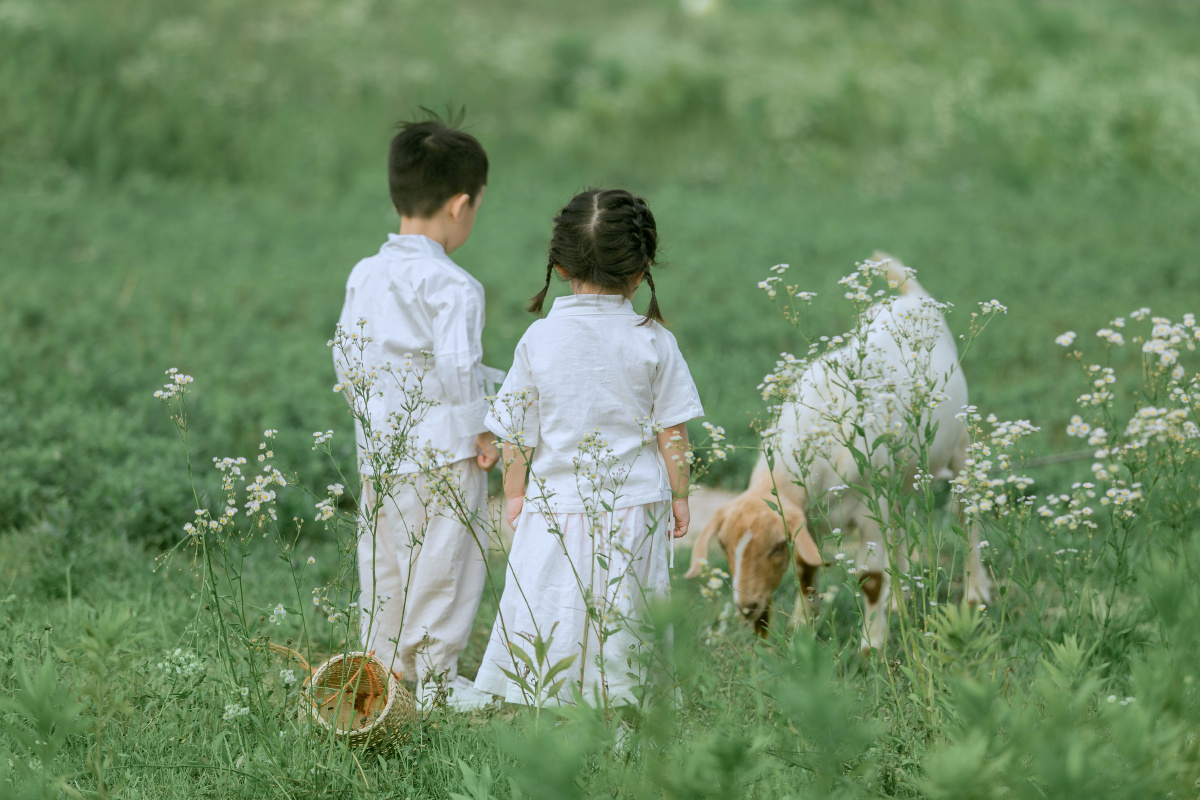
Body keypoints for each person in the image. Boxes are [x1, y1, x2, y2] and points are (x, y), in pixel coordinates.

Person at [473, 188, 705, 707]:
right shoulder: (653, 340)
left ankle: (552, 701)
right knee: (629, 609)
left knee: (554, 601)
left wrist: (515, 494)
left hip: (557, 506)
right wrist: (681, 493)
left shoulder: (540, 339)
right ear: (642, 268)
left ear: (558, 265)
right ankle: (625, 703)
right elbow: (673, 431)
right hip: (635, 507)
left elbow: (515, 431)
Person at [333, 115, 500, 711]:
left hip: (383, 451)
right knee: (446, 565)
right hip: (446, 452)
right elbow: (458, 367)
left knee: (384, 562)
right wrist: (482, 427)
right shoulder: (454, 285)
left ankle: (378, 667)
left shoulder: (365, 274)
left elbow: (346, 358)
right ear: (460, 206)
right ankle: (429, 680)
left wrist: (370, 420)